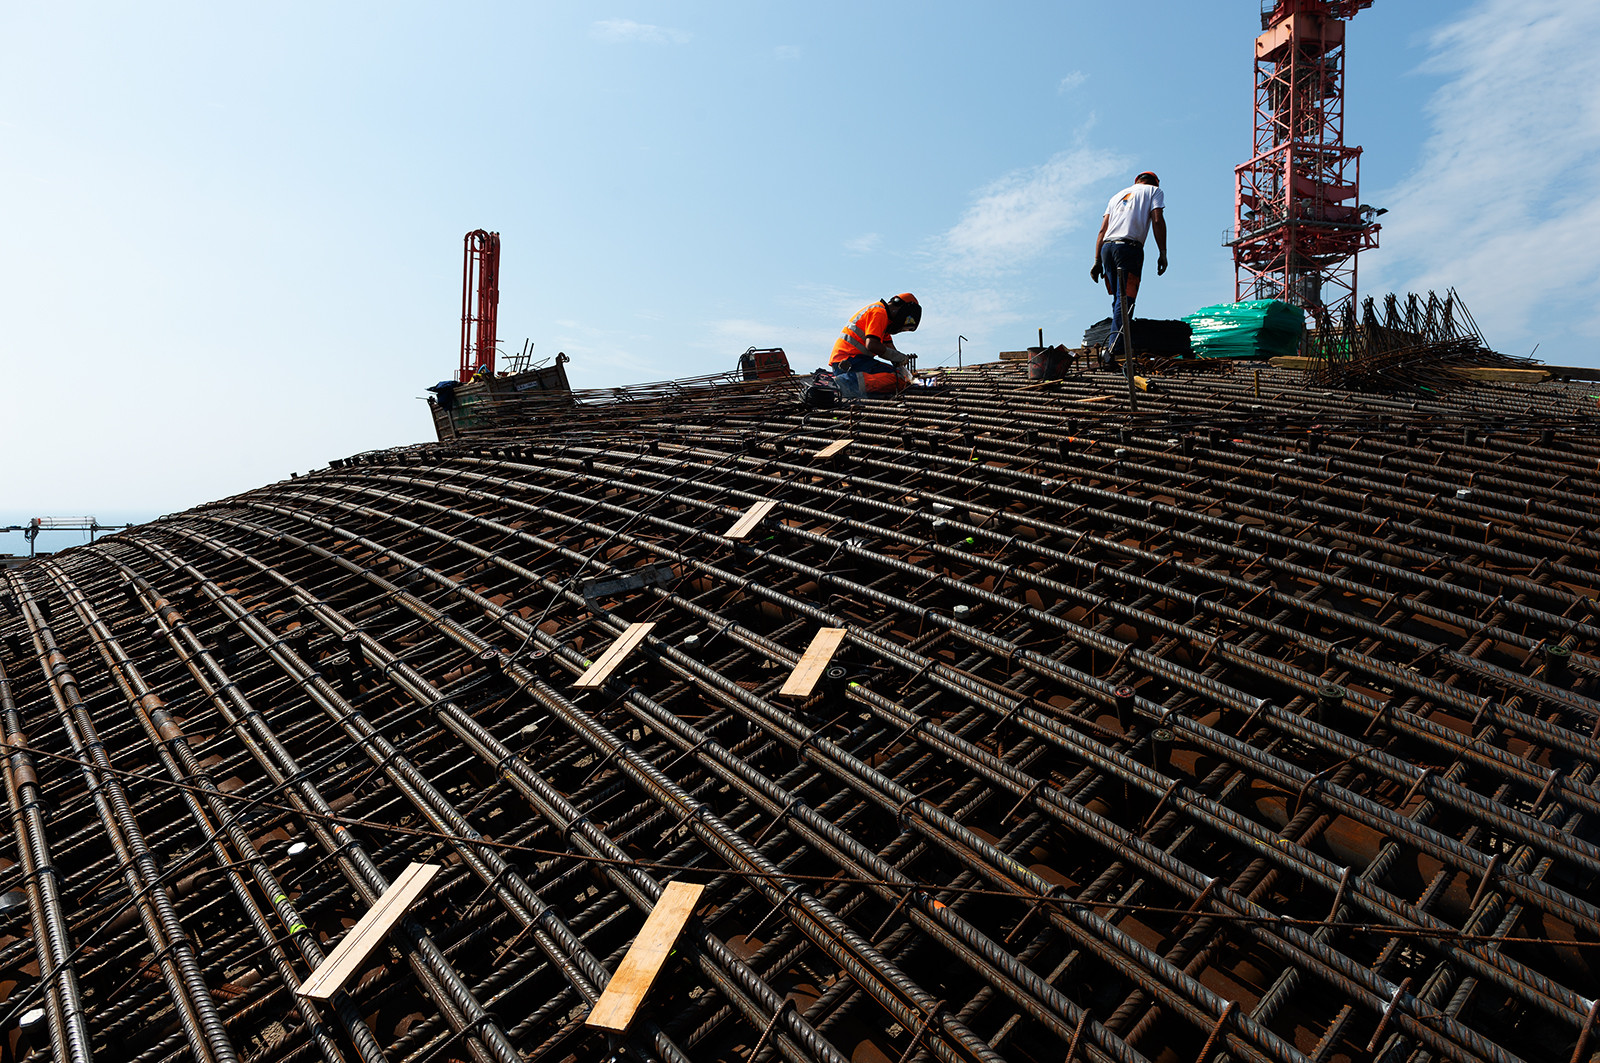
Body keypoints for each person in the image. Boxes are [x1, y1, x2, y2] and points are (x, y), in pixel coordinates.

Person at [1090, 172, 1167, 365]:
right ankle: (1114, 350)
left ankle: (1115, 345)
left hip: (1107, 248)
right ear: (1154, 183)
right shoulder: (1154, 191)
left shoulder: (1117, 195)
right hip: (1129, 249)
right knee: (1127, 300)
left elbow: (1102, 229)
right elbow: (1157, 220)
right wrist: (1163, 252)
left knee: (1118, 299)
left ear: (1136, 182)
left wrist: (1097, 260)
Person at [829, 293, 920, 375]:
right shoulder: (879, 312)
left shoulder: (884, 324)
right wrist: (900, 358)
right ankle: (844, 382)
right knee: (894, 377)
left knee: (897, 375)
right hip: (849, 361)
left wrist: (905, 373)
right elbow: (872, 345)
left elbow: (890, 350)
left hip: (854, 361)